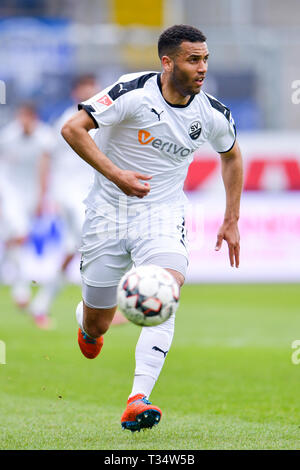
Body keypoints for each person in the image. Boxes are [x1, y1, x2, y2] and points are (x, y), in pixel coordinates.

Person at [61, 24, 243, 432]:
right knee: (98, 323)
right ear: (168, 62)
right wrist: (117, 174)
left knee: (165, 290)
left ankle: (137, 398)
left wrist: (231, 218)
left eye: (205, 60)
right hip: (106, 215)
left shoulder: (210, 113)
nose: (202, 68)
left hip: (161, 215)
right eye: (193, 60)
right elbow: (73, 129)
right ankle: (87, 325)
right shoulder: (132, 91)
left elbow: (232, 157)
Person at [28, 75, 127, 328]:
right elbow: (46, 156)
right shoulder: (67, 121)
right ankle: (98, 309)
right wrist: (44, 193)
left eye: (93, 88)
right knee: (94, 246)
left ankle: (41, 305)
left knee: (75, 250)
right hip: (70, 194)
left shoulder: (103, 119)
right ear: (76, 93)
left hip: (90, 193)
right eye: (85, 88)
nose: (90, 91)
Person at [0, 103, 53, 316]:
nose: (22, 122)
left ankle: (18, 283)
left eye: (26, 118)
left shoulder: (45, 137)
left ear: (34, 118)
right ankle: (21, 288)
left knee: (14, 239)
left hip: (31, 194)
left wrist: (42, 197)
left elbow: (45, 168)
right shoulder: (8, 136)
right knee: (20, 235)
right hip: (11, 192)